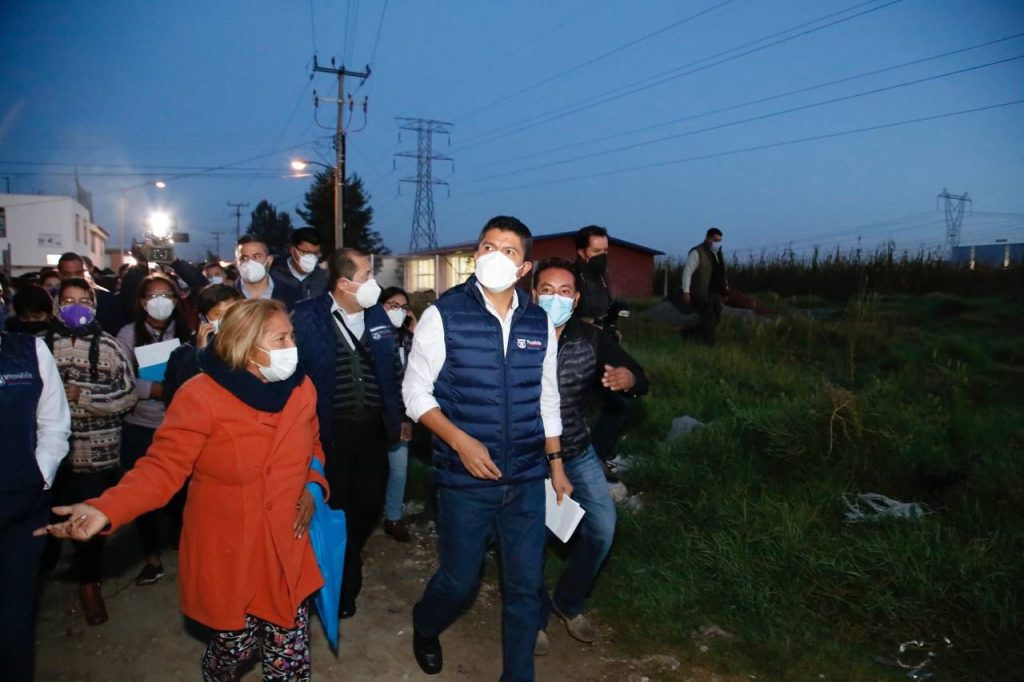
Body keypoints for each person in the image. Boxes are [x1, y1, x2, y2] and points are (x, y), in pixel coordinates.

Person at [35, 299, 329, 681]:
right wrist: (107, 509)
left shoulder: (301, 388)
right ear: (246, 344)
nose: (293, 346)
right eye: (281, 338)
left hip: (286, 547)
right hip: (233, 551)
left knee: (290, 656)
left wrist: (312, 486)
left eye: (291, 336)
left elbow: (315, 447)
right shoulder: (201, 395)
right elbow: (162, 469)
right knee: (234, 647)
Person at [402, 215, 572, 680]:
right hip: (464, 479)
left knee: (524, 587)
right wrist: (460, 441)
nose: (495, 255)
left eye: (509, 250)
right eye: (487, 246)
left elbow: (547, 397)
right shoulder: (445, 314)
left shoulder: (538, 321)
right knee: (459, 582)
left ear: (524, 268)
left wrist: (555, 464)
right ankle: (425, 623)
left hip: (525, 478)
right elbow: (415, 394)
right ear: (476, 255)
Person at [530, 258, 648, 656]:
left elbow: (638, 375)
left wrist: (628, 379)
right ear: (533, 293)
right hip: (529, 458)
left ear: (577, 299)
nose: (556, 298)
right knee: (532, 540)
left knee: (602, 529)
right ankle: (531, 618)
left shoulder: (590, 339)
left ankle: (569, 601)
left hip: (577, 451)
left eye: (565, 292)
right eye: (547, 290)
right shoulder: (515, 334)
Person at [291, 247, 405, 619]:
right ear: (343, 283)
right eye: (367, 275)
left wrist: (399, 416)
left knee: (366, 507)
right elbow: (295, 374)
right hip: (329, 435)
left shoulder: (378, 318)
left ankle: (347, 559)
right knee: (332, 508)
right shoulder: (308, 318)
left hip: (373, 433)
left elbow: (391, 371)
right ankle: (336, 584)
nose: (375, 282)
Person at [46, 278, 138, 625]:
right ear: (57, 305)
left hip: (98, 453)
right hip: (52, 457)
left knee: (90, 524)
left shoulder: (111, 348)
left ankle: (89, 584)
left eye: (84, 301)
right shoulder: (41, 347)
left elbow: (128, 397)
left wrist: (83, 398)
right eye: (69, 301)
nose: (76, 308)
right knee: (49, 519)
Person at [0, 329, 70, 681]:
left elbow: (53, 423)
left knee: (13, 618)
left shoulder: (28, 351)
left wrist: (40, 476)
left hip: (20, 508)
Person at [116, 273, 193, 585]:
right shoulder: (126, 334)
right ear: (142, 301)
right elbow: (119, 379)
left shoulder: (187, 332)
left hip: (180, 423)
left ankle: (181, 540)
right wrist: (154, 389)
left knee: (183, 492)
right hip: (141, 424)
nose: (160, 301)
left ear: (176, 300)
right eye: (153, 295)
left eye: (167, 295)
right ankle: (151, 556)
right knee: (144, 491)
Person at [378, 286, 417, 543]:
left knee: (399, 469)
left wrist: (406, 418)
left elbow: (413, 380)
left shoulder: (407, 339)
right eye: (392, 305)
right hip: (372, 414)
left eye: (403, 307)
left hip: (399, 414)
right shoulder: (368, 336)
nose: (398, 312)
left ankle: (393, 517)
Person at [163, 283, 244, 406]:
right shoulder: (183, 354)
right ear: (204, 318)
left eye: (233, 313)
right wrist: (200, 354)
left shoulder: (253, 348)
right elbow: (176, 398)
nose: (227, 320)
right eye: (219, 314)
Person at [681, 227, 729, 346]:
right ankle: (709, 345)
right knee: (708, 319)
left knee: (716, 319)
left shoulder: (718, 254)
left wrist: (725, 289)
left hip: (717, 292)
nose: (716, 243)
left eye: (719, 241)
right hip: (703, 292)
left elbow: (722, 273)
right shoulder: (697, 252)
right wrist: (686, 291)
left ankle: (687, 333)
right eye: (714, 240)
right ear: (707, 238)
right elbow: (687, 272)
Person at [57, 252, 123, 335]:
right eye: (68, 274)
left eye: (78, 273)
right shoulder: (52, 300)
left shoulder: (106, 299)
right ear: (60, 274)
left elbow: (115, 329)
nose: (73, 277)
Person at [270, 227, 327, 310]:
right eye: (306, 253)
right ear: (292, 250)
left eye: (315, 253)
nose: (311, 257)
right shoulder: (274, 275)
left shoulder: (323, 278)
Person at [573, 225, 613, 325]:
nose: (602, 255)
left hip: (601, 336)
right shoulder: (570, 276)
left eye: (605, 250)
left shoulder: (602, 275)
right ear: (581, 252)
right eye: (596, 251)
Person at [235, 235, 279, 301]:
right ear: (237, 263)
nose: (250, 262)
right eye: (244, 258)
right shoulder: (227, 295)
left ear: (269, 261)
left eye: (257, 256)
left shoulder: (290, 292)